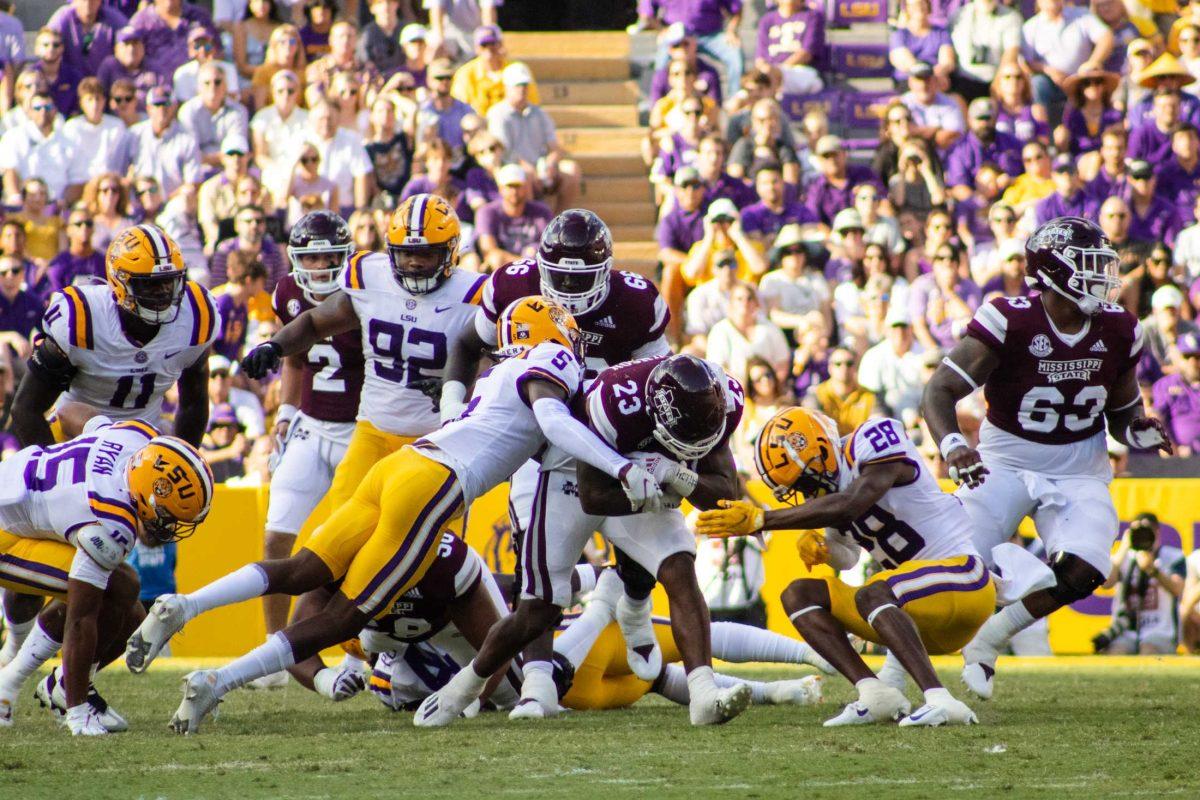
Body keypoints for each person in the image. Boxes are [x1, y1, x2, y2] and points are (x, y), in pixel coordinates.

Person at [128, 296, 663, 734]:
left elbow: (537, 439)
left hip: (397, 466)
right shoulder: (554, 359)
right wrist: (620, 468)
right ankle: (216, 683)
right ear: (551, 332)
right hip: (433, 486)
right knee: (343, 618)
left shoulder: (501, 370)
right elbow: (551, 417)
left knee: (304, 570)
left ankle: (186, 604)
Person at [922, 216, 1174, 702]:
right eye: (1091, 266)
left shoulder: (1121, 329)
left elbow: (1122, 410)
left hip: (1080, 464)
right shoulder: (1009, 318)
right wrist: (954, 446)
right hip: (1005, 458)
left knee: (1086, 569)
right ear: (1056, 271)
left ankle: (991, 639)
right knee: (954, 568)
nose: (1104, 277)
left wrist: (1136, 430)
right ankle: (889, 682)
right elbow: (940, 390)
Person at [425, 353, 751, 727]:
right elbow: (593, 497)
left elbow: (725, 492)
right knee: (539, 608)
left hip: (644, 476)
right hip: (573, 476)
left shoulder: (720, 400)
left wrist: (671, 472)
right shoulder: (614, 401)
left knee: (679, 567)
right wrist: (652, 487)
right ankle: (464, 686)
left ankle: (703, 693)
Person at [696, 407, 991, 727]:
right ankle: (875, 694)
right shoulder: (834, 492)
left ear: (822, 450)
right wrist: (824, 550)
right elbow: (848, 556)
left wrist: (764, 519)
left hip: (964, 581)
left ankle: (940, 699)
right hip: (915, 617)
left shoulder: (872, 438)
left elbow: (854, 501)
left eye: (805, 482)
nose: (806, 494)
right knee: (799, 595)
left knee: (873, 592)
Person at [0, 408, 212, 735]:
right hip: (7, 534)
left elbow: (81, 417)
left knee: (133, 615)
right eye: (168, 515)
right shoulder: (112, 519)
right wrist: (78, 712)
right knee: (118, 589)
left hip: (17, 496)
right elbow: (81, 617)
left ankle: (61, 683)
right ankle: (17, 684)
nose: (169, 527)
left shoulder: (137, 437)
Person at [254, 212, 365, 681]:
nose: (320, 265)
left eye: (328, 255)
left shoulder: (365, 292)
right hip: (312, 425)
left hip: (363, 430)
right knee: (277, 535)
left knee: (361, 547)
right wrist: (284, 414)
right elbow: (297, 360)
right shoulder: (287, 293)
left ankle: (364, 653)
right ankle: (273, 653)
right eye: (311, 255)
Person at [11, 223, 216, 451]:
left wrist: (184, 457)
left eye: (169, 282)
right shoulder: (83, 318)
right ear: (120, 282)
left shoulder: (196, 316)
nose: (163, 293)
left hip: (141, 445)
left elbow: (193, 403)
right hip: (73, 439)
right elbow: (25, 408)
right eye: (150, 284)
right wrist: (54, 469)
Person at [486, 63, 579, 213]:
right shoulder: (497, 114)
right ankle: (531, 222)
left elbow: (554, 146)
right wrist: (528, 168)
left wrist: (550, 163)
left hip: (539, 166)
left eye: (524, 85)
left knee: (571, 170)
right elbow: (504, 152)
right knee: (524, 176)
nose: (522, 89)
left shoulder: (539, 114)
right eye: (517, 85)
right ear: (506, 87)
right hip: (512, 166)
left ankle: (557, 219)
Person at [1094, 513, 1187, 655]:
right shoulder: (1124, 558)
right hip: (1125, 631)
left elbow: (1178, 590)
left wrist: (1153, 570)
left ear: (1157, 532)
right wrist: (1123, 548)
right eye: (1137, 531)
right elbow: (1106, 584)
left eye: (1147, 530)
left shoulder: (1172, 556)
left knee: (1148, 650)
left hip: (1160, 631)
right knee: (1116, 653)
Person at [1020, 0, 1114, 112]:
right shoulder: (1030, 27)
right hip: (1051, 82)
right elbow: (1027, 62)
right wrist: (1049, 71)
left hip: (1082, 79)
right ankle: (1041, 126)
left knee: (1096, 83)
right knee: (1038, 83)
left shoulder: (1081, 15)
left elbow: (1106, 37)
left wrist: (1093, 62)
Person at [706, 282, 790, 388]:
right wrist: (741, 388)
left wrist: (769, 387)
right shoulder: (719, 331)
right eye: (739, 299)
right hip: (732, 395)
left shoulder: (770, 328)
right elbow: (716, 368)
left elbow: (782, 362)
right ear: (731, 303)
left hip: (769, 391)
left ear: (756, 303)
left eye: (749, 298)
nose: (745, 302)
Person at [757, 225, 831, 344]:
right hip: (785, 335)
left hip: (817, 333)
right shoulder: (771, 280)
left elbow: (827, 315)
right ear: (781, 256)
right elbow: (774, 315)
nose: (794, 256)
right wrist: (802, 321)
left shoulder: (816, 279)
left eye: (799, 251)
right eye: (789, 252)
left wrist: (822, 332)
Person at [127, 86, 201, 199]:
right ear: (148, 108)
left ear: (175, 107)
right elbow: (120, 174)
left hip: (174, 204)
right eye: (157, 105)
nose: (162, 109)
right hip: (140, 201)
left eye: (166, 105)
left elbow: (192, 183)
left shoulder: (187, 139)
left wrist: (166, 200)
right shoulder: (134, 134)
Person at [0, 90, 75, 202]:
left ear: (55, 111)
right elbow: (9, 171)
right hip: (24, 204)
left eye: (48, 107)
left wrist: (64, 202)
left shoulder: (68, 141)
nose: (43, 112)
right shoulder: (14, 137)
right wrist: (16, 198)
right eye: (38, 108)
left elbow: (76, 179)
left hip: (57, 206)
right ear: (29, 112)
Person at [474, 164, 552, 272]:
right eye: (510, 186)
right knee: (494, 259)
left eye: (518, 186)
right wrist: (526, 262)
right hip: (500, 274)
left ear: (526, 187)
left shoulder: (542, 212)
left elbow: (550, 248)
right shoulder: (487, 212)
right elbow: (488, 251)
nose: (514, 191)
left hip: (535, 275)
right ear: (501, 188)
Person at [450, 26, 540, 118]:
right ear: (476, 48)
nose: (489, 48)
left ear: (501, 44)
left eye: (493, 43)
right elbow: (459, 108)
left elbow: (533, 102)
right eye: (484, 45)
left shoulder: (516, 69)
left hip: (512, 123)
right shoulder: (465, 73)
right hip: (480, 126)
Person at [858, 308, 925, 424]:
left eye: (903, 327)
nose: (900, 332)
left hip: (920, 415)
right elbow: (869, 394)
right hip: (884, 416)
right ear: (886, 330)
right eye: (895, 327)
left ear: (911, 329)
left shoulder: (924, 354)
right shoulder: (873, 356)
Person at [178, 61, 250, 168]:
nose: (212, 87)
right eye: (207, 83)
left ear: (226, 86)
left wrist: (209, 158)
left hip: (230, 168)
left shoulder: (238, 111)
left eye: (217, 82)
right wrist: (221, 158)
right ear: (199, 88)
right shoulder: (187, 111)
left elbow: (237, 150)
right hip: (198, 168)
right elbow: (190, 152)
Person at [129, 0, 219, 84]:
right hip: (156, 89)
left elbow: (217, 50)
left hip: (196, 84)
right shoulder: (140, 21)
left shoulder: (200, 17)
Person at [950, 0, 1022, 99]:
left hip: (994, 81)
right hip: (963, 79)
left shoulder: (1011, 17)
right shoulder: (959, 15)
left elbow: (1011, 52)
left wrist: (998, 82)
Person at [755, 0, 826, 95]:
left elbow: (806, 54)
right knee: (743, 94)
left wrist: (778, 71)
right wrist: (768, 71)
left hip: (802, 73)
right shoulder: (766, 20)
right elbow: (760, 59)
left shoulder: (812, 16)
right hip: (769, 74)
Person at [210, 205, 288, 290]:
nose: (254, 225)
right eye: (248, 221)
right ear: (237, 225)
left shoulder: (274, 251)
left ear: (265, 225)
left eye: (259, 221)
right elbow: (217, 287)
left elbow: (281, 287)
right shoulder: (225, 250)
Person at [48, 0, 130, 79]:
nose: (88, 3)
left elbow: (131, 40)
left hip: (105, 83)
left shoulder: (114, 19)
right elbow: (46, 43)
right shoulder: (62, 18)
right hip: (70, 82)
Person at [1151, 330, 1200, 454]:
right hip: (1181, 457)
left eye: (1198, 356)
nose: (1193, 362)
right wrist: (1170, 448)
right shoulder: (1165, 385)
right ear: (1178, 358)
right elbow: (1158, 420)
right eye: (1187, 356)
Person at [900, 61, 965, 151]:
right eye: (919, 80)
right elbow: (901, 136)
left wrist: (915, 132)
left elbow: (952, 136)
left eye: (927, 79)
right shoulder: (902, 103)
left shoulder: (950, 103)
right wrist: (936, 129)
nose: (923, 85)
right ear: (910, 82)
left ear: (935, 80)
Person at [890, 0, 954, 87]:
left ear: (928, 6)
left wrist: (935, 75)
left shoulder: (941, 33)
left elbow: (947, 61)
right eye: (914, 5)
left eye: (921, 4)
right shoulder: (899, 34)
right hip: (909, 81)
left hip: (937, 81)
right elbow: (904, 61)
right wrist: (926, 75)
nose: (918, 8)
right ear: (907, 9)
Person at [173, 27, 240, 103]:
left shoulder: (228, 68)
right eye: (197, 46)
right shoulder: (182, 73)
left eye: (207, 45)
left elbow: (233, 97)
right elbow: (184, 103)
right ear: (190, 50)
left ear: (214, 47)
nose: (202, 50)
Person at [47, 205, 105, 292]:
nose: (84, 227)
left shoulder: (103, 262)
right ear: (68, 229)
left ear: (93, 228)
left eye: (88, 224)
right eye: (78, 224)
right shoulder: (58, 265)